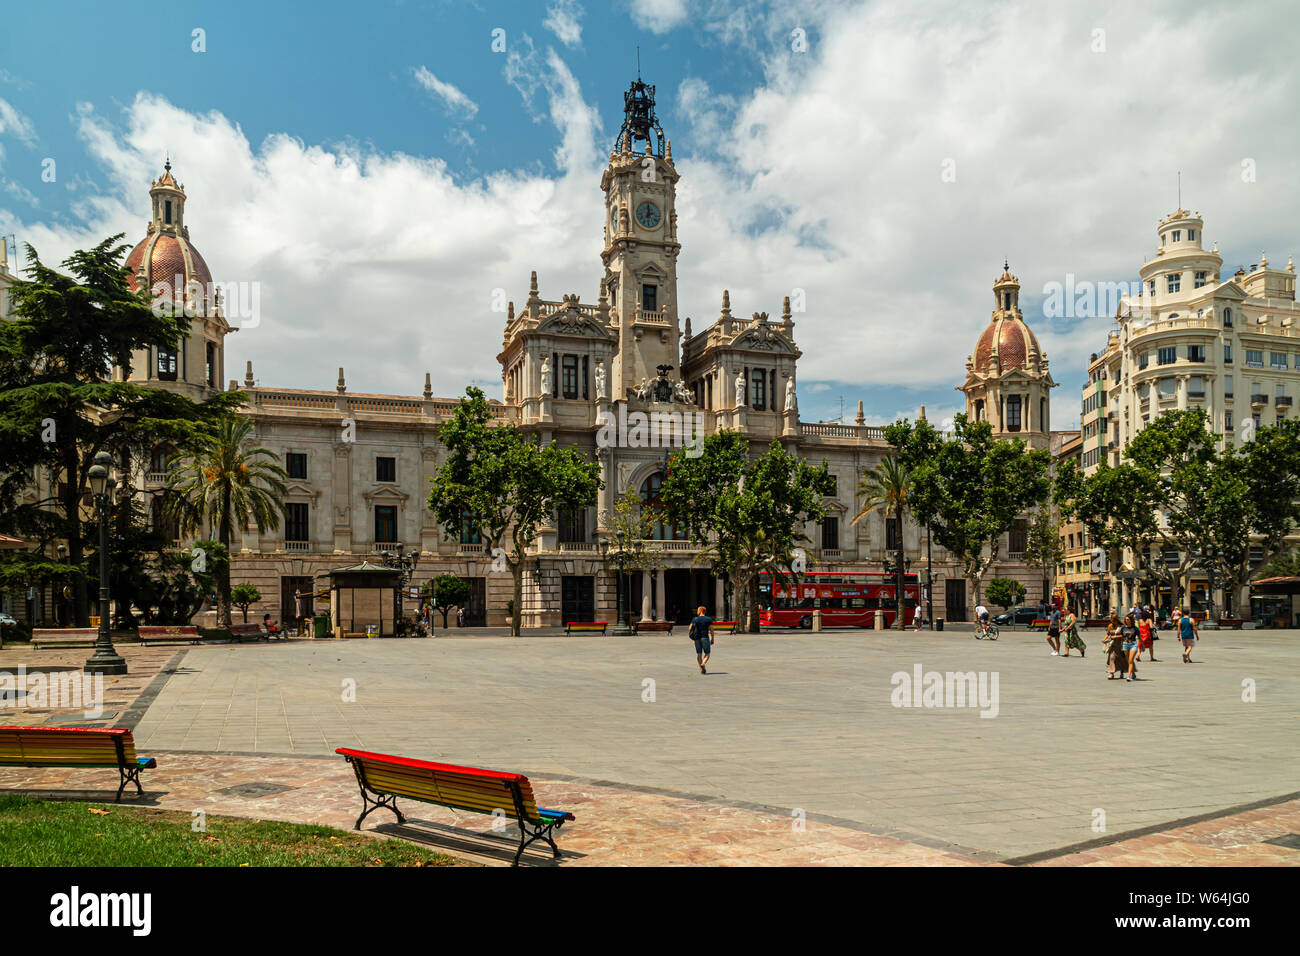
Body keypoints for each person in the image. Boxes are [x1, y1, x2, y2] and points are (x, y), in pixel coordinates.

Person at [688, 605, 714, 674]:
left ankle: (701, 669)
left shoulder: (695, 619)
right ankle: (703, 663)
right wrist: (712, 639)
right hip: (705, 637)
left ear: (699, 611)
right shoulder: (708, 619)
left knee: (699, 654)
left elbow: (690, 628)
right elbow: (711, 630)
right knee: (707, 653)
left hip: (696, 638)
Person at [1104, 613, 1126, 679]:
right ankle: (1111, 673)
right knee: (1111, 658)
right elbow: (1108, 634)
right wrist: (1104, 639)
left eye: (1114, 620)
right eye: (1112, 620)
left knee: (1121, 659)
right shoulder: (1110, 626)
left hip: (1120, 644)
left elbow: (1124, 635)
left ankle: (1121, 672)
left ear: (1117, 620)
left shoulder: (1121, 626)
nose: (1112, 621)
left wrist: (1116, 636)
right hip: (1113, 645)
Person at [1120, 612, 1140, 681]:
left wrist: (1142, 646)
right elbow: (1122, 637)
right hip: (1125, 644)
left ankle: (1129, 676)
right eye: (1126, 619)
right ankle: (1133, 673)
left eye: (1128, 619)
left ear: (1131, 620)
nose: (1126, 620)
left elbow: (1139, 637)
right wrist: (1121, 645)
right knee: (1128, 660)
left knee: (1131, 660)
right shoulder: (1123, 628)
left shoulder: (1135, 628)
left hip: (1133, 644)